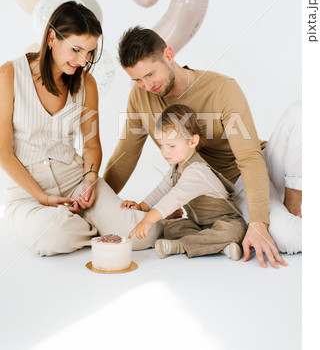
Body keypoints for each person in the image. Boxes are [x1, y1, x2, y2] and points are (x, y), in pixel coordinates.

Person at [103, 26, 301, 268]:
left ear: (168, 55)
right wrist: (100, 199)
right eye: (137, 79)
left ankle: (296, 202)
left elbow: (249, 158)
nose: (146, 85)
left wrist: (259, 222)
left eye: (151, 74)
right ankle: (288, 213)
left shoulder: (222, 88)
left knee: (301, 112)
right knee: (287, 238)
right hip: (227, 190)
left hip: (256, 167)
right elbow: (125, 154)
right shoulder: (140, 96)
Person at [0, 3, 163, 256]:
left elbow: (90, 144)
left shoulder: (86, 82)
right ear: (52, 37)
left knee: (145, 235)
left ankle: (95, 223)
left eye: (89, 52)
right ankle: (91, 227)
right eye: (76, 50)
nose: (83, 60)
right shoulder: (8, 75)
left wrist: (89, 179)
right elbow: (4, 152)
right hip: (27, 193)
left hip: (75, 181)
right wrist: (43, 198)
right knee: (52, 238)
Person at [122, 104, 247, 260]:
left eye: (172, 146)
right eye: (162, 145)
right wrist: (142, 206)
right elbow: (161, 191)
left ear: (193, 141)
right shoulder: (176, 168)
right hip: (198, 224)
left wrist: (148, 220)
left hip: (224, 222)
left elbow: (174, 198)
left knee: (233, 231)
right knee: (171, 229)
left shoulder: (197, 171)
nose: (165, 152)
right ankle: (221, 247)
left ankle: (180, 246)